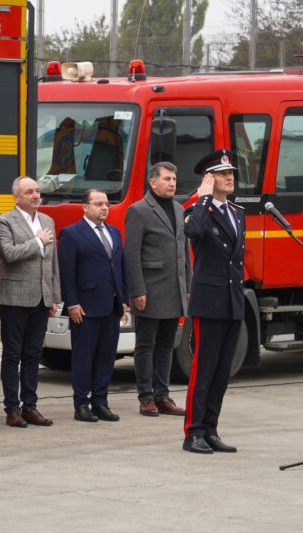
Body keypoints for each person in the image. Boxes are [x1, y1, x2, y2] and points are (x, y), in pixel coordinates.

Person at [182, 149, 245, 454]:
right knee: (203, 370)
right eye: (222, 173)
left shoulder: (237, 212)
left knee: (222, 371)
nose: (229, 177)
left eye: (231, 172)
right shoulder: (197, 210)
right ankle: (193, 432)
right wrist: (203, 198)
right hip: (208, 301)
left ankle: (211, 429)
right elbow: (193, 232)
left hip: (232, 301)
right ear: (208, 179)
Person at [0, 176, 61, 428]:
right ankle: (12, 409)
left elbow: (53, 262)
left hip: (42, 298)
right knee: (12, 355)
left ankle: (30, 406)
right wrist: (37, 242)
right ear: (16, 197)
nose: (35, 196)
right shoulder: (3, 221)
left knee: (33, 354)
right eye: (29, 192)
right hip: (15, 298)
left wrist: (54, 296)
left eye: (37, 191)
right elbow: (9, 254)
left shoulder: (47, 221)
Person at [124, 162, 191, 417]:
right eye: (166, 179)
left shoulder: (179, 209)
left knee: (167, 345)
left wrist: (188, 286)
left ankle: (163, 396)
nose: (172, 183)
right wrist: (137, 290)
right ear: (153, 182)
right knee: (145, 345)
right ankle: (146, 397)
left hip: (175, 289)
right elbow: (132, 255)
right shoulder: (138, 210)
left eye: (174, 178)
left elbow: (184, 252)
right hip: (150, 290)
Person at [58, 188, 128, 423]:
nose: (104, 208)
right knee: (84, 357)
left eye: (106, 204)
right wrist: (72, 303)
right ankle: (81, 404)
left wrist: (123, 299)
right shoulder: (71, 234)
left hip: (111, 305)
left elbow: (120, 267)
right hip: (85, 307)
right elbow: (67, 273)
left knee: (106, 357)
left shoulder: (114, 232)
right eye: (98, 204)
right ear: (85, 207)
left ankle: (100, 401)